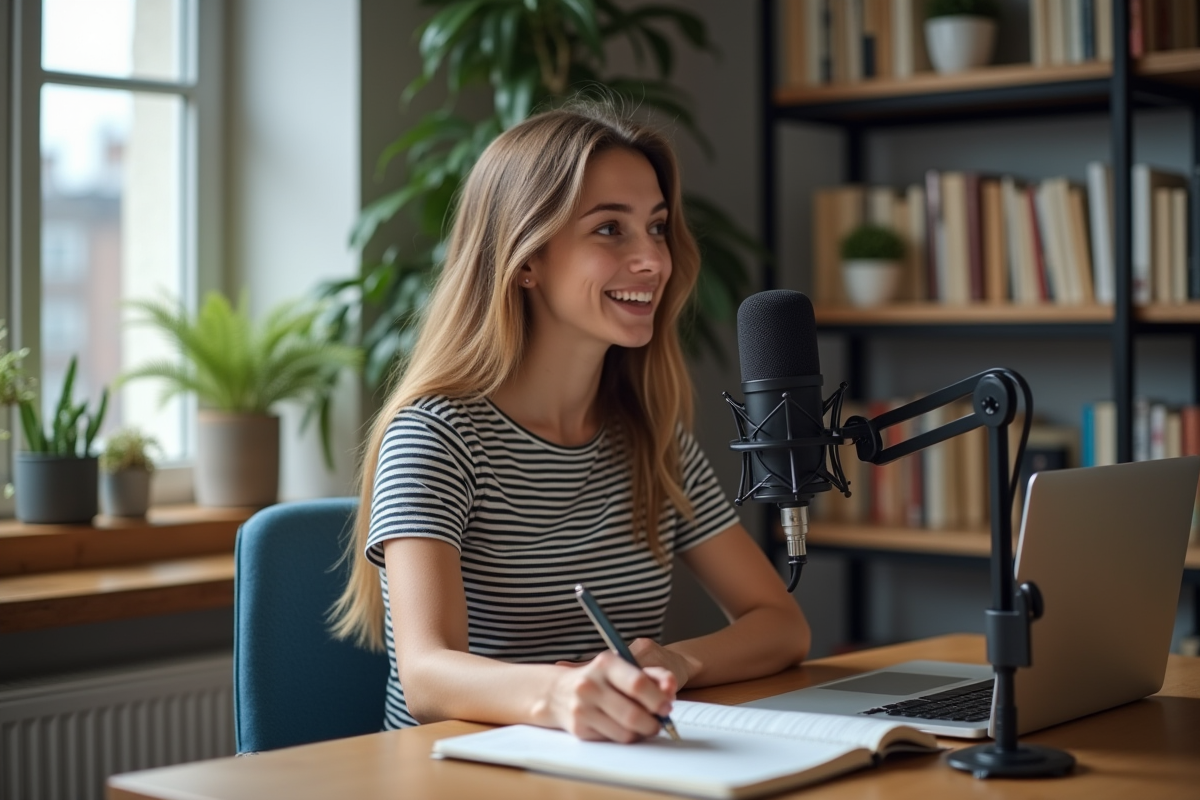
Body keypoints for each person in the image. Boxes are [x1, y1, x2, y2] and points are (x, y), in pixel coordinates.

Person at [331, 102, 811, 743]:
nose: (653, 260)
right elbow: (426, 678)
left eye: (658, 227)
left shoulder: (652, 439)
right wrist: (560, 695)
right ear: (526, 260)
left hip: (611, 771)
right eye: (610, 229)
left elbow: (780, 623)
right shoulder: (437, 435)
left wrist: (680, 661)